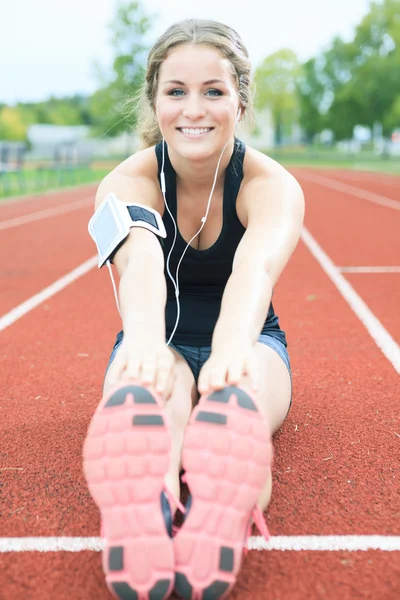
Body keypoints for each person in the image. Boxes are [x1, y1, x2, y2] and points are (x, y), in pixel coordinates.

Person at [83, 18, 304, 600]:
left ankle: (219, 513)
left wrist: (231, 352)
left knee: (239, 400)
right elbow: (142, 270)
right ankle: (145, 510)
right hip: (156, 334)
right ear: (154, 100)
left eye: (214, 91)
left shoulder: (270, 185)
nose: (193, 109)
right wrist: (147, 347)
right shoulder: (127, 182)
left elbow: (253, 271)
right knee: (157, 400)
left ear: (241, 100)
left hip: (252, 339)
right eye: (176, 91)